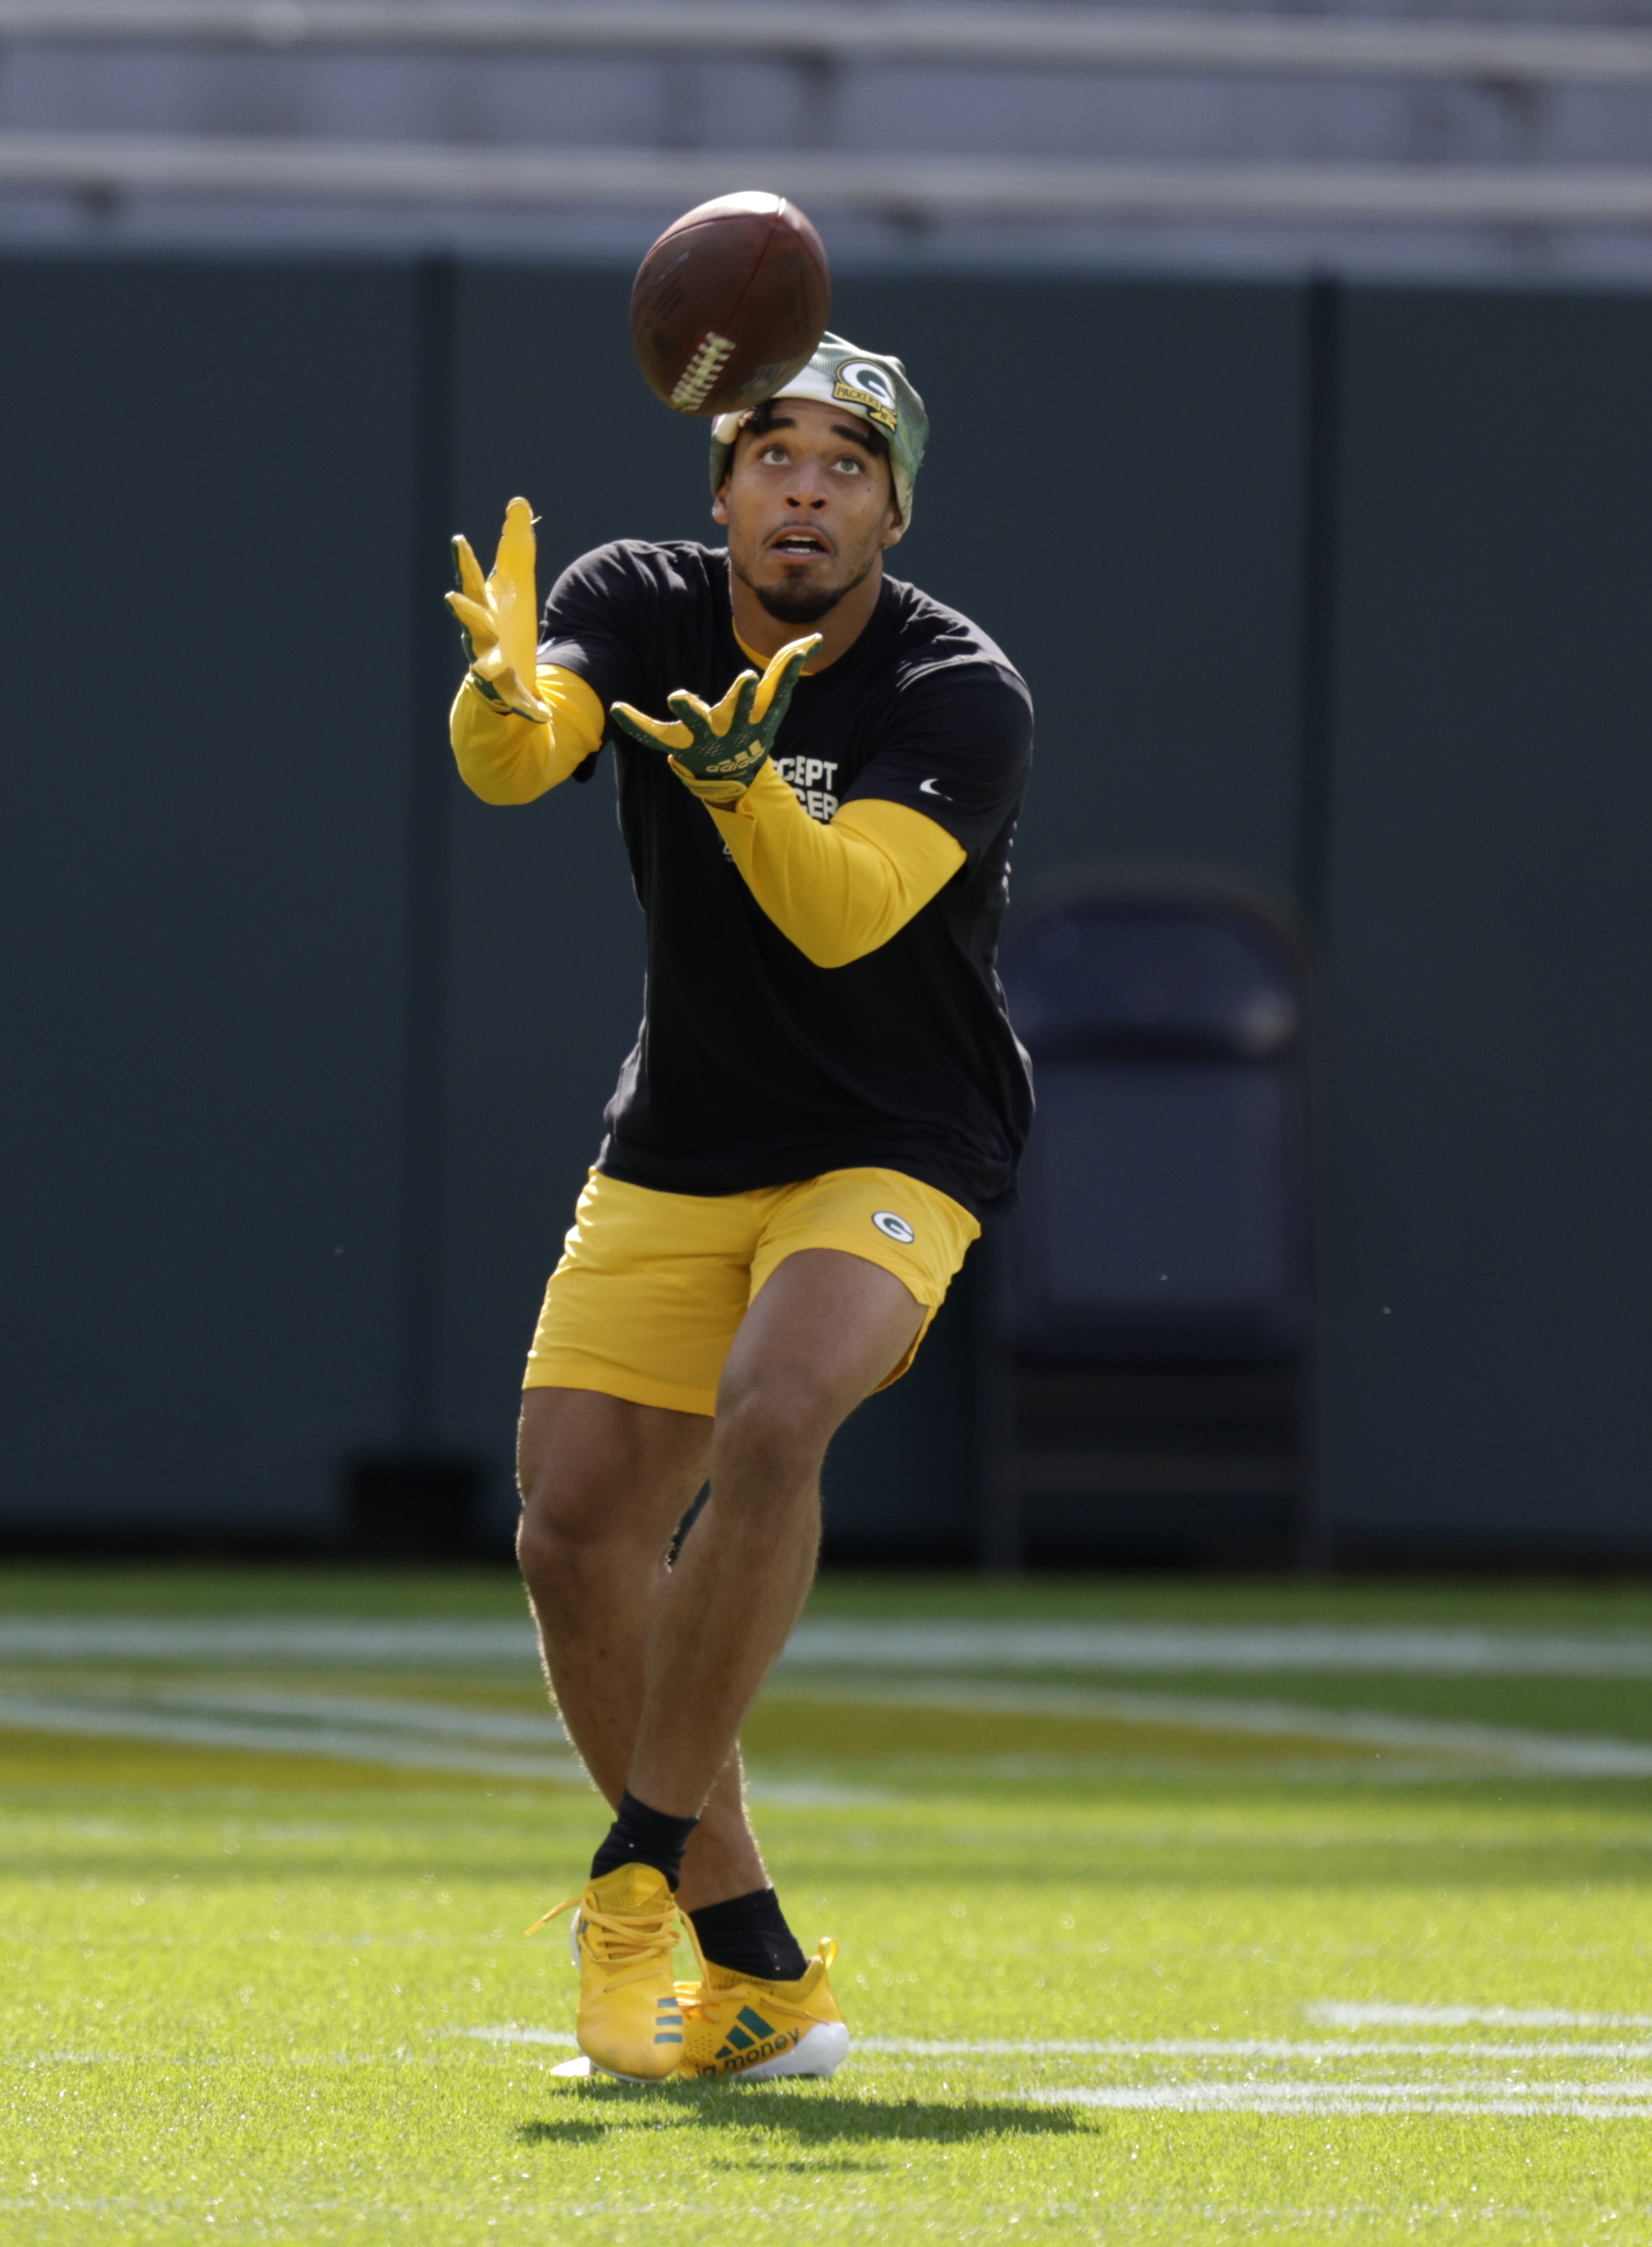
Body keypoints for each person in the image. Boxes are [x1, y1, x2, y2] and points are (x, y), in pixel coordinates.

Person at [440, 335, 1036, 2083]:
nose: (802, 487)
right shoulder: (637, 597)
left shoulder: (959, 688)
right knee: (570, 1527)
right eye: (770, 454)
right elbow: (525, 754)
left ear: (891, 510)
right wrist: (500, 697)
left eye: (846, 465)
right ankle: (753, 1962)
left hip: (896, 1135)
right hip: (686, 1135)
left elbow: (846, 913)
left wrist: (739, 788)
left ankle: (632, 1875)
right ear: (719, 493)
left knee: (777, 1410)